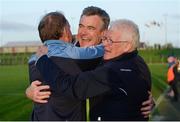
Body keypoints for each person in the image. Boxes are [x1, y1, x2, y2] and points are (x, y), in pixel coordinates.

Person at [26, 6, 154, 120]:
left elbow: (136, 71)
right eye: (81, 26)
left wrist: (144, 98)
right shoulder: (68, 52)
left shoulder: (116, 55)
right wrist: (29, 91)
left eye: (91, 28)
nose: (82, 33)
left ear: (104, 33)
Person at [27, 11, 105, 121]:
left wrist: (27, 91)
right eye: (69, 27)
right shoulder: (72, 54)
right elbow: (100, 50)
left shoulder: (33, 58)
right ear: (65, 30)